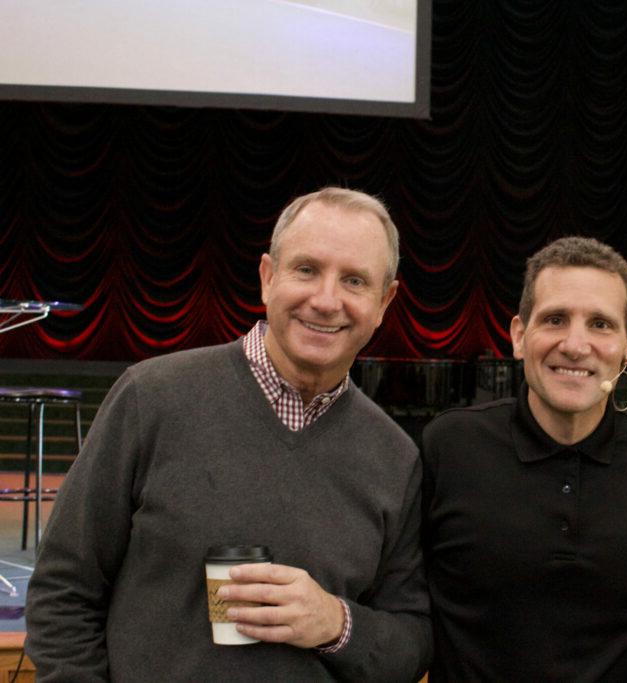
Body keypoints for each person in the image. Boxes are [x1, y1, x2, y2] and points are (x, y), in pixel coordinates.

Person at [26, 187, 431, 681]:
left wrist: (336, 624)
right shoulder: (152, 397)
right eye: (306, 270)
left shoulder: (394, 457)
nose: (326, 300)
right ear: (267, 278)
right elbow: (64, 591)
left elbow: (410, 644)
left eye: (354, 280)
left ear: (384, 301)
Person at [422, 236, 627, 681]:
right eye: (556, 319)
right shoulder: (449, 446)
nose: (575, 344)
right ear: (519, 336)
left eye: (601, 324)